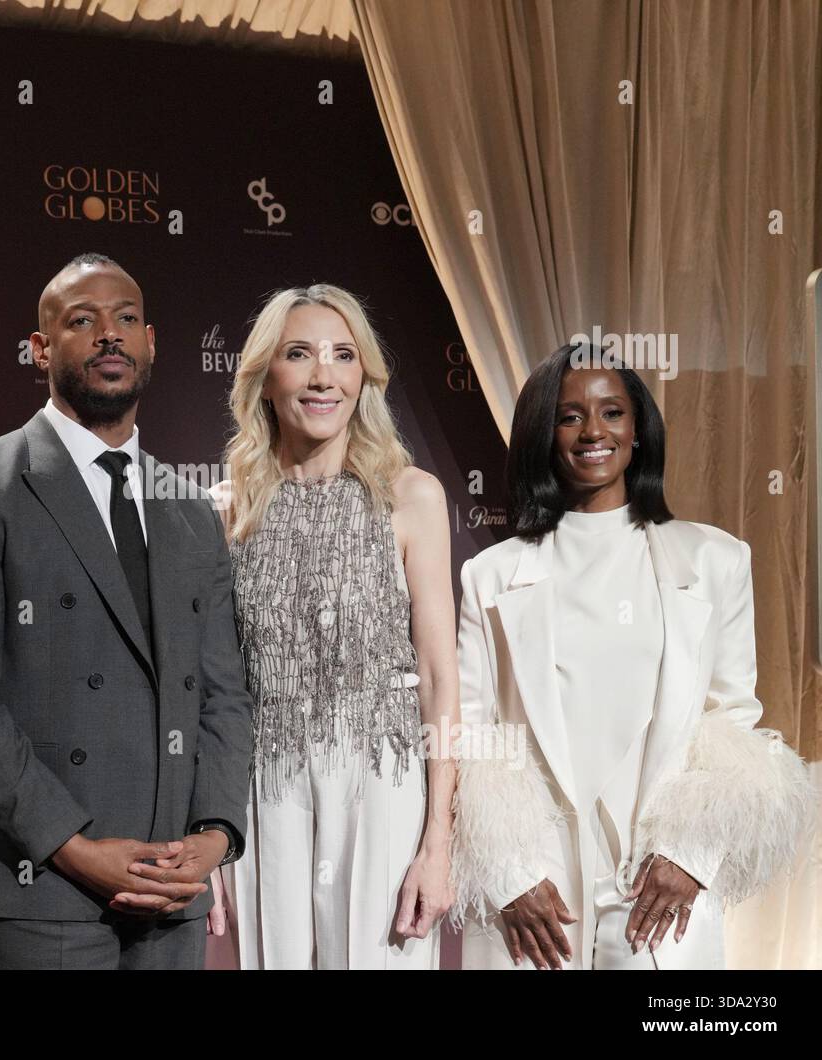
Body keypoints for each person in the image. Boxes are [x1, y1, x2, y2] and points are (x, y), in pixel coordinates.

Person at [0, 252, 254, 970]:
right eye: (82, 321)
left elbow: (224, 695)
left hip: (169, 891)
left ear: (151, 342)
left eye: (126, 319)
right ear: (40, 349)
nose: (109, 336)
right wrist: (75, 847)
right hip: (36, 888)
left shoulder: (189, 509)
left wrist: (213, 838)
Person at [451, 342, 814, 970]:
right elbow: (470, 733)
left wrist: (690, 857)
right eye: (570, 416)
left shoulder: (714, 560)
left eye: (612, 412)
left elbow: (732, 721)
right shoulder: (491, 575)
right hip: (538, 892)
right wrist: (509, 873)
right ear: (544, 432)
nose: (593, 431)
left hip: (656, 883)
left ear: (639, 430)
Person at [211, 283, 457, 969]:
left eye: (343, 355)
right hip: (267, 789)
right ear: (265, 378)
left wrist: (438, 843)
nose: (324, 375)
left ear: (364, 377)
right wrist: (208, 831)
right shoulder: (225, 511)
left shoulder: (411, 497)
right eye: (300, 354)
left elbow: (439, 679)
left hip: (385, 781)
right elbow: (210, 691)